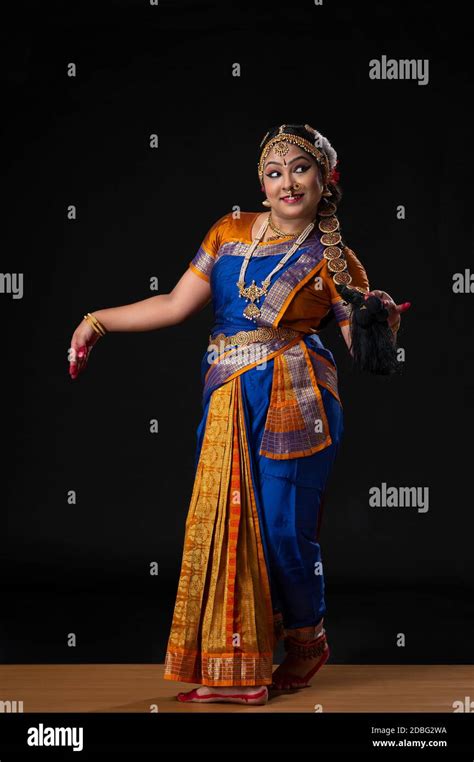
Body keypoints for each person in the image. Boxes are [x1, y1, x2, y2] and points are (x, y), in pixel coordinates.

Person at [68, 123, 410, 706]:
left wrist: (380, 320)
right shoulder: (229, 233)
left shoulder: (338, 261)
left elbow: (366, 353)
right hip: (228, 396)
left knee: (281, 532)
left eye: (300, 170)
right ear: (261, 183)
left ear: (327, 179)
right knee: (228, 524)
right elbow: (176, 304)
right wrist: (96, 321)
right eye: (274, 173)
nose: (287, 183)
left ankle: (307, 640)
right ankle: (239, 669)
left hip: (297, 399)